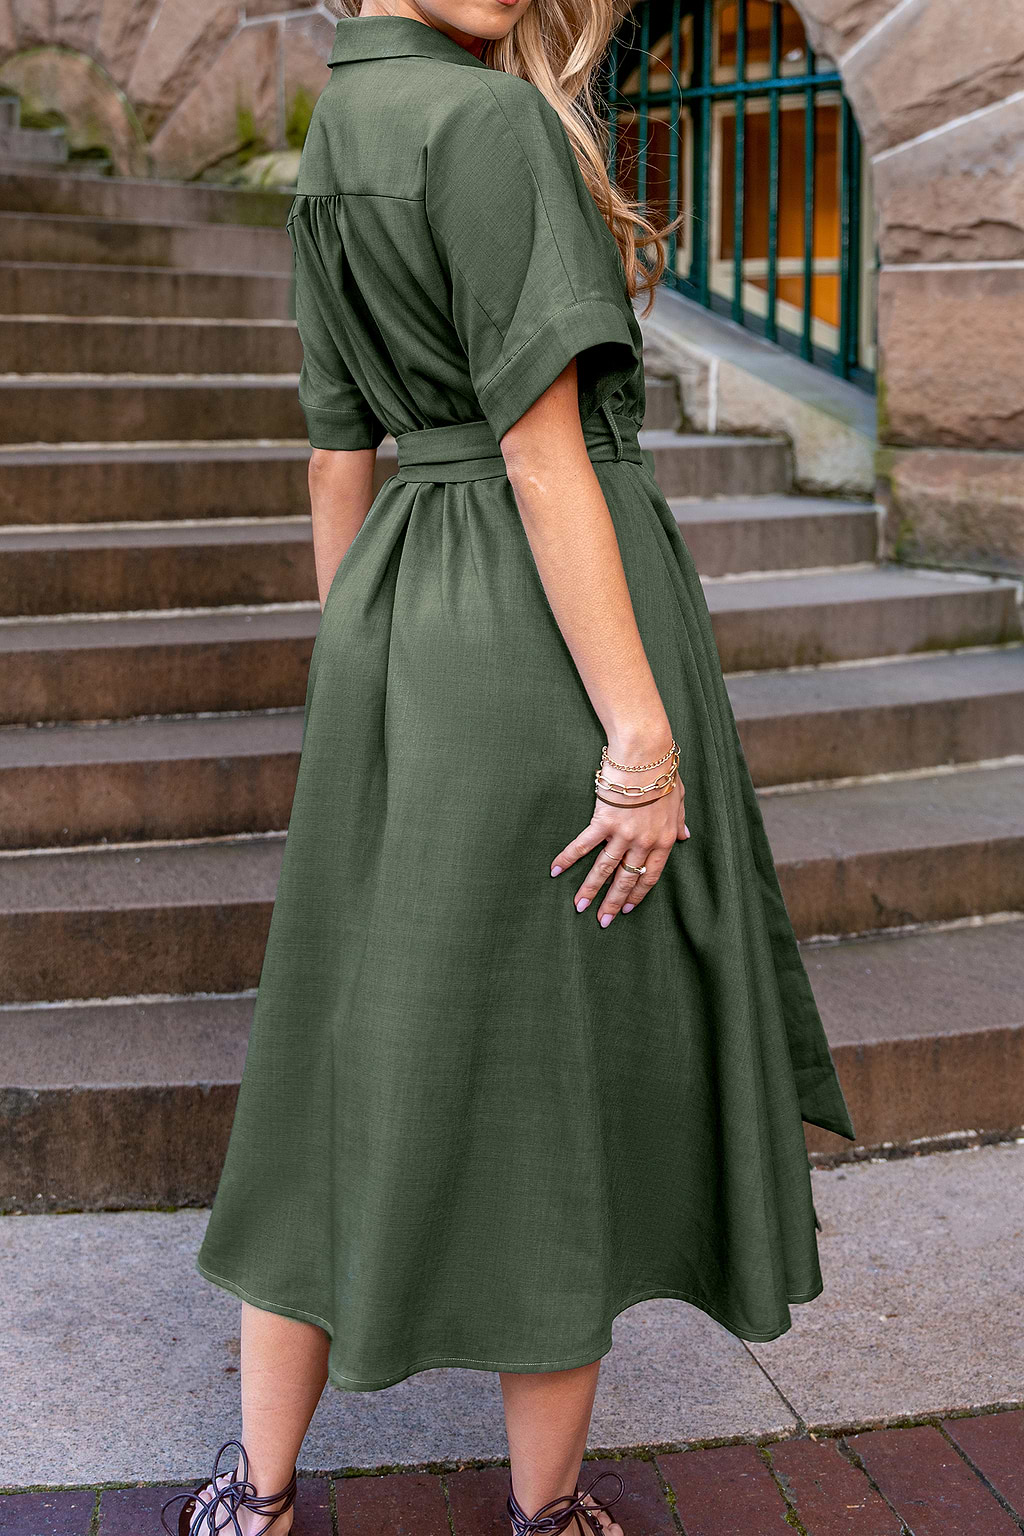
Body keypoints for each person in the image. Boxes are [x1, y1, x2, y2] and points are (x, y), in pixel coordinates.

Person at [166, 1, 855, 1531]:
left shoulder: (339, 128)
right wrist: (639, 739)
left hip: (408, 611)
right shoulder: (488, 127)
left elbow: (337, 447)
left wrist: (363, 663)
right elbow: (546, 458)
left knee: (344, 1053)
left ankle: (254, 1497)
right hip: (550, 636)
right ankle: (547, 1519)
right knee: (554, 1069)